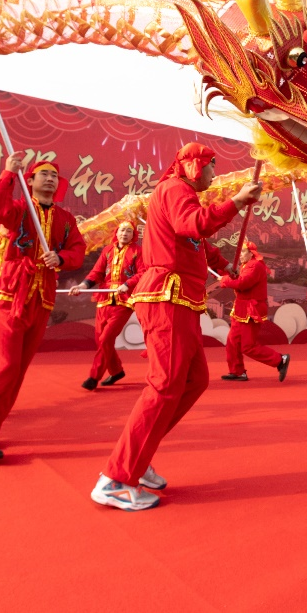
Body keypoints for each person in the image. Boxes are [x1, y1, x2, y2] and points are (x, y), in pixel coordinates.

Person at [92, 143, 261, 511]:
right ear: (193, 166)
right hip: (167, 295)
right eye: (212, 167)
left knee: (194, 380)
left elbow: (194, 240)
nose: (214, 174)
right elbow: (192, 224)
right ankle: (117, 478)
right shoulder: (174, 189)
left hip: (182, 298)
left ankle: (139, 454)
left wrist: (223, 264)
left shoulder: (181, 194)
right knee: (166, 383)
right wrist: (236, 202)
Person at [0, 157, 86, 462]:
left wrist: (61, 258)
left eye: (54, 176)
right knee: (5, 366)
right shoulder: (18, 210)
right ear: (29, 181)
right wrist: (8, 173)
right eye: (42, 174)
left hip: (41, 300)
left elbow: (78, 250)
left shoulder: (66, 219)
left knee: (17, 371)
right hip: (8, 296)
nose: (49, 179)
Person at [70, 221, 143, 390]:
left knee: (106, 338)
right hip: (104, 298)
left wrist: (128, 284)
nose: (125, 234)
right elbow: (96, 272)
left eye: (129, 231)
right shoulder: (107, 251)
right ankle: (116, 370)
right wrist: (82, 286)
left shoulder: (138, 252)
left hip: (124, 299)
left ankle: (93, 377)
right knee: (101, 340)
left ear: (134, 236)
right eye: (122, 230)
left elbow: (143, 272)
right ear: (116, 233)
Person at [219, 240, 290, 382]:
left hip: (251, 309)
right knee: (232, 342)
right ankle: (237, 371)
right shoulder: (246, 265)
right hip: (240, 308)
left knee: (248, 346)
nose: (239, 256)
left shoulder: (255, 266)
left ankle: (279, 360)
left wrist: (225, 280)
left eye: (242, 252)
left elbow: (243, 283)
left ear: (251, 253)